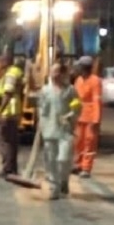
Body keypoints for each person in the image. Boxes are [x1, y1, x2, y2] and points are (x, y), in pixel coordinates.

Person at [38, 63, 81, 200]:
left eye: (57, 72)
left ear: (63, 74)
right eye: (52, 72)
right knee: (51, 161)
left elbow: (77, 108)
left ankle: (64, 180)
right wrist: (41, 126)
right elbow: (42, 110)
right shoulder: (45, 91)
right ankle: (54, 188)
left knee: (63, 159)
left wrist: (69, 117)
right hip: (49, 131)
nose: (54, 75)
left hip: (65, 132)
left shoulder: (70, 90)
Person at [0, 52, 24, 178]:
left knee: (4, 143)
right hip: (13, 112)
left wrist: (0, 111)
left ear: (5, 62)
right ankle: (12, 169)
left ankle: (6, 169)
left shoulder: (10, 74)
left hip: (7, 113)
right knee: (12, 143)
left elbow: (8, 93)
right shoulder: (14, 72)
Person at [73, 56, 102, 177]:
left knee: (89, 142)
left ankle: (86, 168)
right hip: (79, 116)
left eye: (79, 66)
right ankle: (78, 165)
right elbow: (75, 99)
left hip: (90, 118)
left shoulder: (95, 81)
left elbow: (97, 101)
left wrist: (96, 119)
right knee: (78, 142)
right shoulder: (78, 80)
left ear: (84, 67)